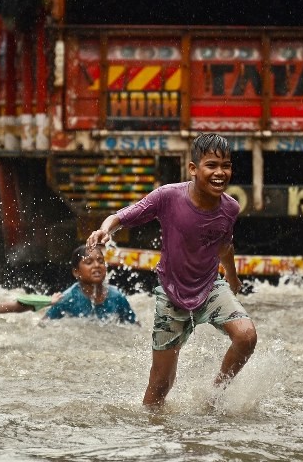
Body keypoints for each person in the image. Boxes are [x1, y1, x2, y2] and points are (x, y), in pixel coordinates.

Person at [86, 133, 257, 408]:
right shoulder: (168, 196)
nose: (220, 173)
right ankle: (153, 431)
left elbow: (224, 245)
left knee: (246, 336)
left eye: (226, 166)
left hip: (211, 286)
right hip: (171, 293)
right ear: (193, 169)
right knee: (159, 387)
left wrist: (233, 277)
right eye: (211, 165)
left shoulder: (230, 207)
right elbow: (122, 216)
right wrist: (104, 230)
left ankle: (213, 396)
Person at [42, 245, 138, 325]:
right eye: (89, 262)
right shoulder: (67, 299)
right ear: (76, 272)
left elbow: (135, 327)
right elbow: (43, 325)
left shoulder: (117, 297)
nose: (97, 265)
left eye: (101, 261)